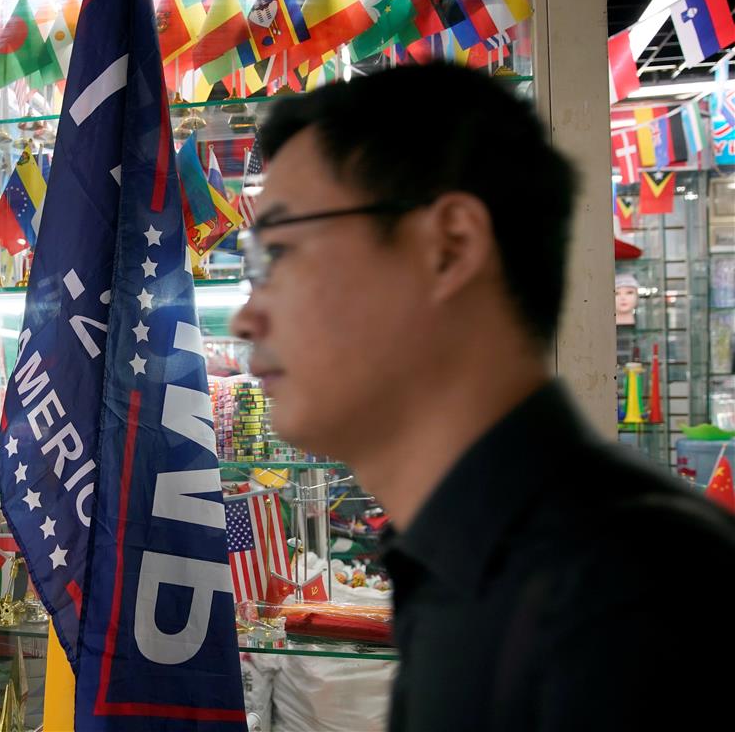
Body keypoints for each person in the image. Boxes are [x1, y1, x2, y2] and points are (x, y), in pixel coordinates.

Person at [230, 64, 735, 731]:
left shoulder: (623, 599)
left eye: (279, 252)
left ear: (449, 247)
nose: (245, 318)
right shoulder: (467, 564)